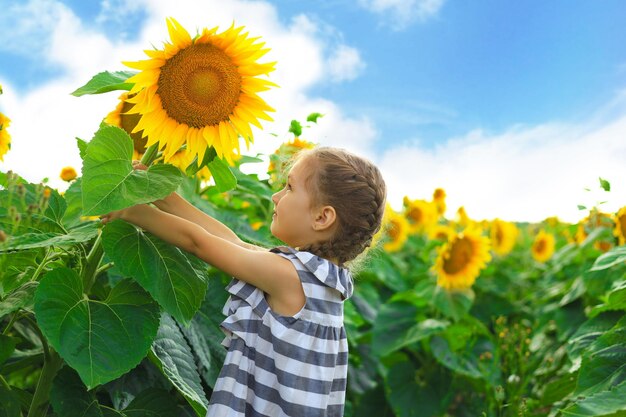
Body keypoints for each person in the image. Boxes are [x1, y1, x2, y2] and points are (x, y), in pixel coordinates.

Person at [101, 146, 387, 417]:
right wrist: (163, 194)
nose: (275, 196)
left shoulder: (290, 277)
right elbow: (233, 242)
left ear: (322, 217)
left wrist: (134, 212)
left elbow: (199, 243)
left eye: (289, 187)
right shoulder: (320, 283)